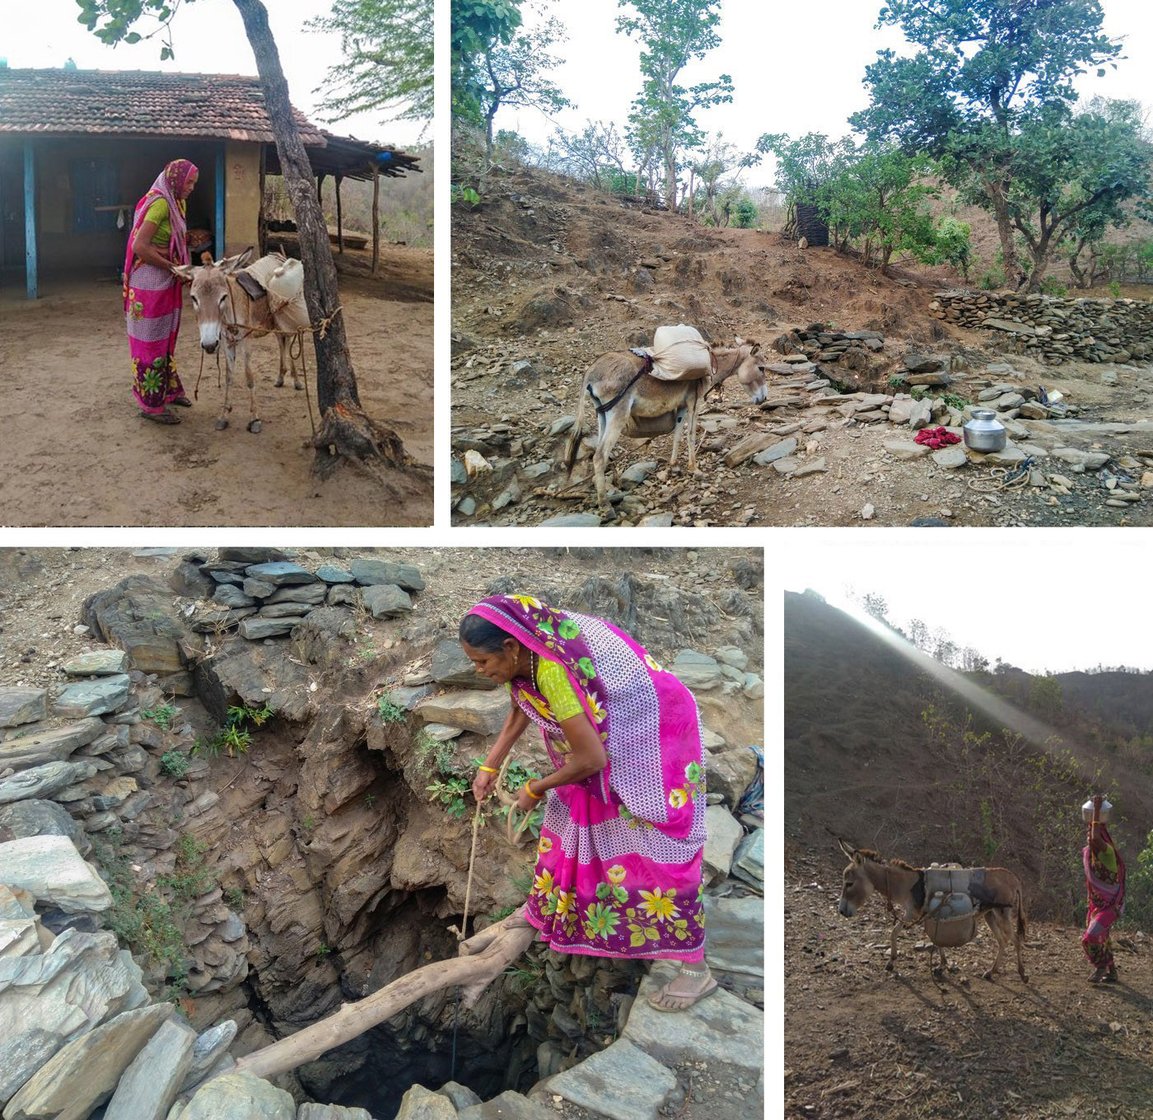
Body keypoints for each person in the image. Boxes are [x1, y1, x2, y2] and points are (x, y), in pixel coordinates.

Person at [458, 593, 715, 1012]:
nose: (478, 670)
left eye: (481, 662)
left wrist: (536, 788)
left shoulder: (554, 671)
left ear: (510, 647)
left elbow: (592, 759)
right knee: (575, 810)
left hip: (656, 731)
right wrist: (490, 765)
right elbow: (521, 706)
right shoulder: (528, 655)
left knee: (658, 845)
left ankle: (695, 969)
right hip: (608, 734)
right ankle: (547, 905)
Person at [122, 159, 199, 424]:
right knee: (150, 340)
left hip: (166, 280)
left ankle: (168, 390)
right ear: (176, 180)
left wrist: (179, 255)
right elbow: (140, 247)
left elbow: (170, 240)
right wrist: (170, 265)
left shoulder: (178, 203)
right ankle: (151, 405)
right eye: (188, 182)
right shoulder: (160, 204)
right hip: (149, 283)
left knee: (164, 338)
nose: (191, 188)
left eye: (194, 183)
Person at [1082, 795, 1125, 984]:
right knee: (1103, 936)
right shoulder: (1091, 853)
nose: (1090, 838)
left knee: (1091, 936)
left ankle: (1101, 966)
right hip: (1099, 904)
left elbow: (1095, 837)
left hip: (1111, 906)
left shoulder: (1106, 851)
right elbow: (1093, 838)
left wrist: (1096, 811)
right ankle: (1112, 972)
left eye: (1093, 835)